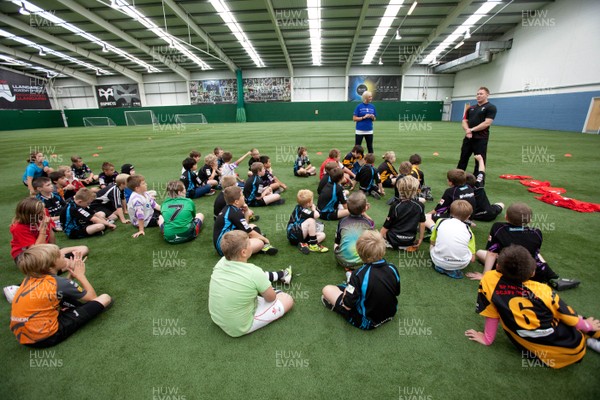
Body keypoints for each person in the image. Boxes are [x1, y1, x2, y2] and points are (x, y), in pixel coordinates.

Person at [465, 245, 600, 368]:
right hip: (573, 346)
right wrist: (588, 326)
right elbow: (568, 317)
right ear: (532, 273)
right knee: (574, 317)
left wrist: (487, 339)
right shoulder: (542, 290)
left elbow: (491, 314)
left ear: (498, 266)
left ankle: (590, 339)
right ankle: (590, 336)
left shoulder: (488, 280)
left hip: (540, 355)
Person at [10, 244, 111, 347]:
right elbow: (92, 298)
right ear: (50, 266)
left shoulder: (29, 279)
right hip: (47, 337)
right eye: (59, 255)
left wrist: (70, 278)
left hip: (24, 337)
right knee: (104, 298)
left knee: (66, 299)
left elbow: (59, 289)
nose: (63, 256)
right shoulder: (57, 282)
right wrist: (81, 275)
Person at [465, 202, 578, 290]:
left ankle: (549, 277)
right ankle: (552, 277)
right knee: (536, 253)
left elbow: (492, 252)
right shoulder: (536, 232)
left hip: (506, 270)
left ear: (506, 217)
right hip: (530, 272)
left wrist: (485, 275)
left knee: (480, 252)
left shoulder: (498, 227)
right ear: (529, 221)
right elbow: (535, 253)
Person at [208, 230, 294, 338]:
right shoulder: (254, 272)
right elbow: (271, 298)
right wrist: (266, 288)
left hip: (216, 317)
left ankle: (270, 280)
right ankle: (271, 283)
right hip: (237, 327)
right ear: (243, 252)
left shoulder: (221, 262)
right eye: (249, 243)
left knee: (255, 283)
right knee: (287, 299)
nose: (251, 243)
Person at [322, 231, 400, 330]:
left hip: (368, 322)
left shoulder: (358, 275)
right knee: (352, 287)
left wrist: (347, 291)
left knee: (327, 289)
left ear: (360, 253)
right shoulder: (392, 268)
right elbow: (396, 292)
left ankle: (336, 307)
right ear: (383, 250)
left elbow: (348, 305)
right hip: (391, 314)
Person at [9, 197, 88, 264]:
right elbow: (35, 251)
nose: (43, 213)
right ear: (30, 214)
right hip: (28, 256)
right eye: (39, 212)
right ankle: (61, 265)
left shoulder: (42, 214)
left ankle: (61, 263)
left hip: (46, 251)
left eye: (42, 210)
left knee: (83, 249)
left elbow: (52, 243)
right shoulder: (19, 228)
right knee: (47, 260)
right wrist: (42, 230)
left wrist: (48, 226)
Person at [213, 186, 277, 257]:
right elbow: (250, 233)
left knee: (252, 226)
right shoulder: (235, 213)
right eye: (242, 195)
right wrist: (265, 239)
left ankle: (256, 244)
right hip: (226, 249)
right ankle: (262, 247)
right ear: (236, 201)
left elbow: (244, 226)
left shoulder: (230, 209)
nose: (244, 197)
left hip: (227, 242)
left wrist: (246, 211)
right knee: (260, 242)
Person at [429, 200, 475, 279]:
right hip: (461, 264)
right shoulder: (468, 230)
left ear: (450, 211)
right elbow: (472, 259)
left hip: (438, 260)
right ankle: (452, 268)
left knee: (431, 245)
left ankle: (441, 265)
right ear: (468, 217)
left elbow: (432, 241)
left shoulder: (440, 221)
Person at [457, 86, 497, 175]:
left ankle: (477, 180)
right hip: (468, 137)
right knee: (463, 158)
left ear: (487, 95)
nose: (478, 96)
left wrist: (471, 130)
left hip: (481, 139)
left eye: (481, 94)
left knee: (479, 160)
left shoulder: (491, 107)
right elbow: (464, 121)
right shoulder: (471, 108)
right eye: (477, 94)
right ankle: (457, 177)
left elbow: (487, 123)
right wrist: (467, 130)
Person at [380, 176, 425, 251]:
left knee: (385, 232)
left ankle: (390, 243)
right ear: (415, 190)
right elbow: (422, 223)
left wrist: (378, 237)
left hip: (394, 239)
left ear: (399, 189)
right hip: (410, 240)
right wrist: (420, 239)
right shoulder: (420, 206)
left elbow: (387, 225)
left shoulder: (396, 206)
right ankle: (405, 245)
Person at [334, 192, 375, 271]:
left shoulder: (342, 221)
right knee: (370, 242)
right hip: (363, 262)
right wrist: (364, 213)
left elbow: (337, 241)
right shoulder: (368, 222)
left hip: (343, 261)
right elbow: (372, 223)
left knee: (336, 243)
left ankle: (348, 267)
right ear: (364, 209)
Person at [287, 189, 328, 254]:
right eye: (312, 200)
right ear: (308, 203)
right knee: (311, 220)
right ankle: (313, 245)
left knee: (322, 235)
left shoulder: (299, 207)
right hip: (294, 234)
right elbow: (317, 215)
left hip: (299, 233)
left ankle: (304, 245)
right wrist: (313, 209)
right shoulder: (303, 211)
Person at [466, 154, 504, 221]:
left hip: (472, 216)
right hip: (489, 214)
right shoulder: (479, 185)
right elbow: (481, 171)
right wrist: (480, 160)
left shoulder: (460, 190)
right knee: (501, 204)